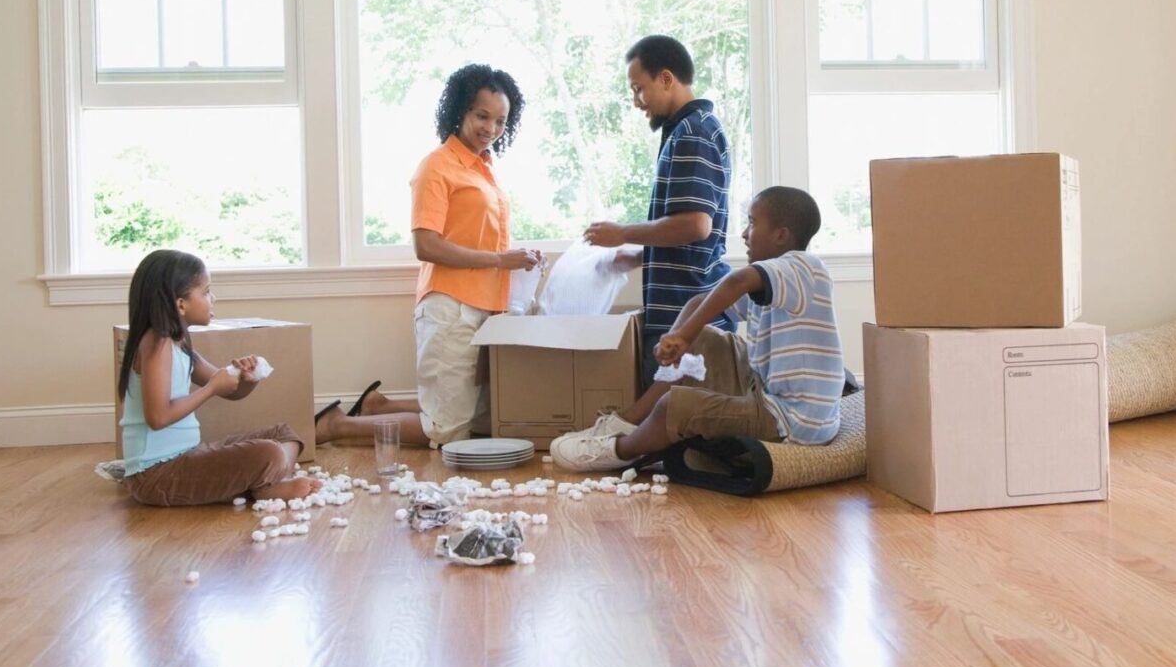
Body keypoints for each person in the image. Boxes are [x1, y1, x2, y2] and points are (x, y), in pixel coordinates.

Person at [316, 64, 541, 450]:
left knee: (482, 413)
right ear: (460, 111)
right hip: (451, 307)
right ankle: (337, 426)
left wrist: (516, 261)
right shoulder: (437, 166)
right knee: (448, 431)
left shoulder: (485, 171)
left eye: (501, 121)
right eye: (481, 116)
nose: (490, 128)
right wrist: (501, 260)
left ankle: (378, 406)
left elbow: (477, 236)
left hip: (488, 308)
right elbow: (427, 245)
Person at [550, 186, 843, 471]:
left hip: (792, 421)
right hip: (765, 391)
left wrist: (684, 335)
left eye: (752, 223)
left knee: (673, 406)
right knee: (704, 338)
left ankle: (619, 450)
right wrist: (677, 337)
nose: (744, 233)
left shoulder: (805, 267)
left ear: (781, 235)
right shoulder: (775, 280)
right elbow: (701, 301)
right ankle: (627, 421)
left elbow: (736, 282)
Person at [583, 34, 733, 388]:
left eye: (639, 89)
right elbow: (687, 231)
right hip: (680, 309)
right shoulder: (686, 130)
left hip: (683, 313)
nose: (637, 102)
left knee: (671, 425)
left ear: (666, 78)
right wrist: (639, 255)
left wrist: (623, 232)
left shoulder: (692, 132)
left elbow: (696, 225)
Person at [116, 249, 320, 506]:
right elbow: (158, 418)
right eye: (206, 291)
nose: (213, 298)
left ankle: (266, 479)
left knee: (284, 433)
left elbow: (231, 391)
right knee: (268, 453)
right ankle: (266, 484)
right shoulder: (156, 344)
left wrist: (246, 379)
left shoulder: (180, 344)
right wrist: (211, 388)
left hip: (188, 455)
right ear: (181, 303)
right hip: (156, 475)